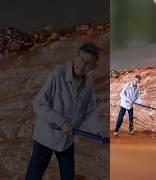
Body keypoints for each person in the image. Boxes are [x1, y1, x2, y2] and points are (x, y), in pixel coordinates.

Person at [25, 42, 103, 180]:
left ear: (93, 67)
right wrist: (61, 122)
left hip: (67, 138)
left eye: (88, 63)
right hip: (46, 135)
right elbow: (39, 103)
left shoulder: (88, 82)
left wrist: (97, 131)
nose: (83, 65)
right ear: (75, 56)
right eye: (81, 59)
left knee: (68, 175)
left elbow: (89, 110)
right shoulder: (57, 75)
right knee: (35, 174)